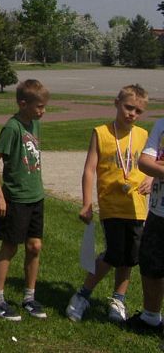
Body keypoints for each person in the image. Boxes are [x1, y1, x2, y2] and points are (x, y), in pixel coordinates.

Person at [65, 85, 150, 323]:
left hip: (136, 206)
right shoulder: (101, 133)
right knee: (114, 253)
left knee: (130, 256)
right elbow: (89, 170)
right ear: (116, 103)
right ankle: (83, 295)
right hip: (111, 205)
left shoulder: (143, 135)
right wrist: (86, 203)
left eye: (138, 111)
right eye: (128, 107)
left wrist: (151, 179)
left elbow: (153, 162)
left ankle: (118, 299)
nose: (132, 114)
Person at [0, 79, 50, 321]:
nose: (43, 111)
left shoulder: (35, 124)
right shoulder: (12, 128)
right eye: (39, 107)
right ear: (23, 104)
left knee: (35, 247)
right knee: (10, 247)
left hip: (35, 196)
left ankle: (29, 297)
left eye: (44, 106)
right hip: (16, 198)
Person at [128, 114, 164, 332]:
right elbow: (143, 162)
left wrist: (156, 167)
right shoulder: (161, 124)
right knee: (150, 264)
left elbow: (152, 164)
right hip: (157, 211)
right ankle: (150, 317)